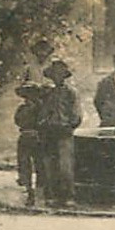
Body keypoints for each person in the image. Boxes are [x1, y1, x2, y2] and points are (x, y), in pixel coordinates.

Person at [35, 60, 81, 205]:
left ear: (64, 76)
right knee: (49, 164)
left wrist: (70, 125)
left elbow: (76, 113)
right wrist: (42, 123)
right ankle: (51, 195)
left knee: (65, 166)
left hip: (64, 132)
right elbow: (42, 111)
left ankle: (68, 196)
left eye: (60, 74)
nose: (57, 77)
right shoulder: (48, 92)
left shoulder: (71, 92)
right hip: (49, 132)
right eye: (55, 74)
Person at [14, 81, 46, 206]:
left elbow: (43, 121)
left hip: (37, 137)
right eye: (26, 95)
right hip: (25, 137)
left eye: (31, 94)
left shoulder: (41, 108)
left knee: (40, 165)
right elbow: (17, 120)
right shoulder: (22, 108)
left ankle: (39, 193)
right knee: (24, 164)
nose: (28, 98)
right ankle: (28, 190)